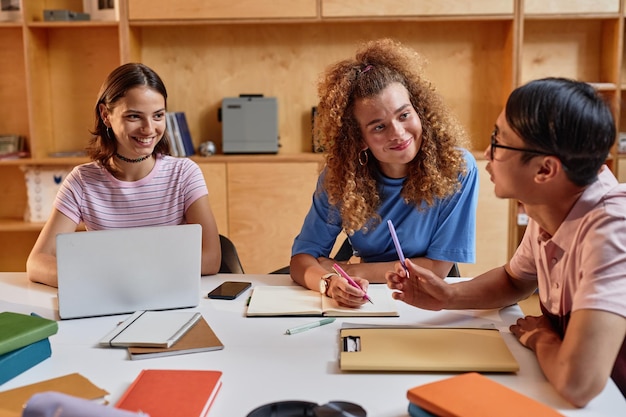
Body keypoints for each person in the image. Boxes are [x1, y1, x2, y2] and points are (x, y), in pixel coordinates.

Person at [387, 77, 626, 406]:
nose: (487, 152)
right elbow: (515, 279)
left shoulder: (614, 230)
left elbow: (578, 384)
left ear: (545, 170)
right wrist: (447, 295)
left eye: (499, 142)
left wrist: (541, 337)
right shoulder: (553, 203)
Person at [290, 38, 479, 308]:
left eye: (404, 115)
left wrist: (349, 270)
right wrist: (330, 283)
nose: (398, 134)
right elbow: (302, 260)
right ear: (360, 139)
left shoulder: (458, 167)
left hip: (430, 302)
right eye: (379, 127)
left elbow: (437, 269)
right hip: (370, 300)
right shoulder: (341, 177)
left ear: (420, 111)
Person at [26, 63, 221, 287]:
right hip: (110, 301)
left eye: (158, 115)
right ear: (106, 115)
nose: (149, 129)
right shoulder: (82, 181)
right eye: (134, 117)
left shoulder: (184, 174)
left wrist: (126, 276)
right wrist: (101, 281)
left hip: (168, 298)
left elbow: (210, 259)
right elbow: (37, 262)